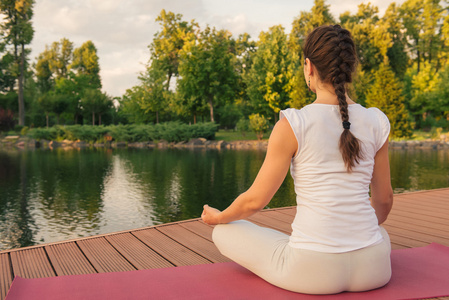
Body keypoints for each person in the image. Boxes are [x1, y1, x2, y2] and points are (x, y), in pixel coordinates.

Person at [201, 24, 393, 294]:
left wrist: (220, 218)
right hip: (374, 271)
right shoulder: (376, 120)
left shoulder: (294, 123)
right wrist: (356, 234)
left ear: (309, 67)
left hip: (311, 273)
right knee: (379, 234)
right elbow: (384, 200)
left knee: (225, 231)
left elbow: (255, 200)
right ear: (351, 69)